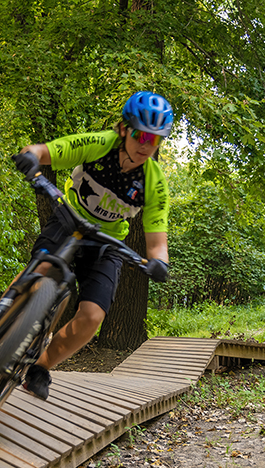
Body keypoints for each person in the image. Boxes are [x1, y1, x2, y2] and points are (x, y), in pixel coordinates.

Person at [10, 91, 173, 400]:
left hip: (107, 242)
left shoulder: (154, 181)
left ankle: (40, 367)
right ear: (124, 129)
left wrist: (159, 263)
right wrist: (30, 155)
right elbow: (45, 151)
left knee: (93, 316)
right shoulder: (99, 145)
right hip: (69, 220)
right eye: (139, 135)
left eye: (153, 140)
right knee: (41, 270)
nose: (144, 146)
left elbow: (157, 239)